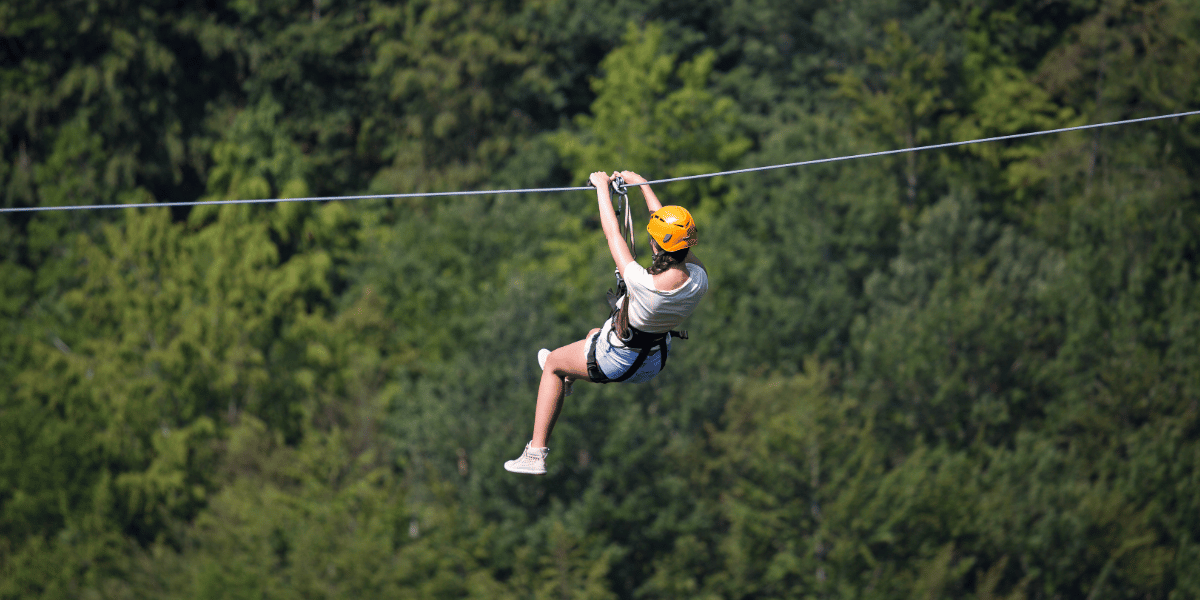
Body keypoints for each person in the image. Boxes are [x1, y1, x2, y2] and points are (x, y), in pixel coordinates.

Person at [504, 170, 709, 475]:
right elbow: (669, 231)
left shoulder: (644, 284)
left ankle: (536, 452)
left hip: (619, 360)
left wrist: (601, 187)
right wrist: (642, 185)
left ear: (655, 246)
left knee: (553, 365)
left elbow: (613, 233)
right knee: (595, 335)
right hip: (653, 361)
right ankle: (568, 380)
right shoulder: (698, 279)